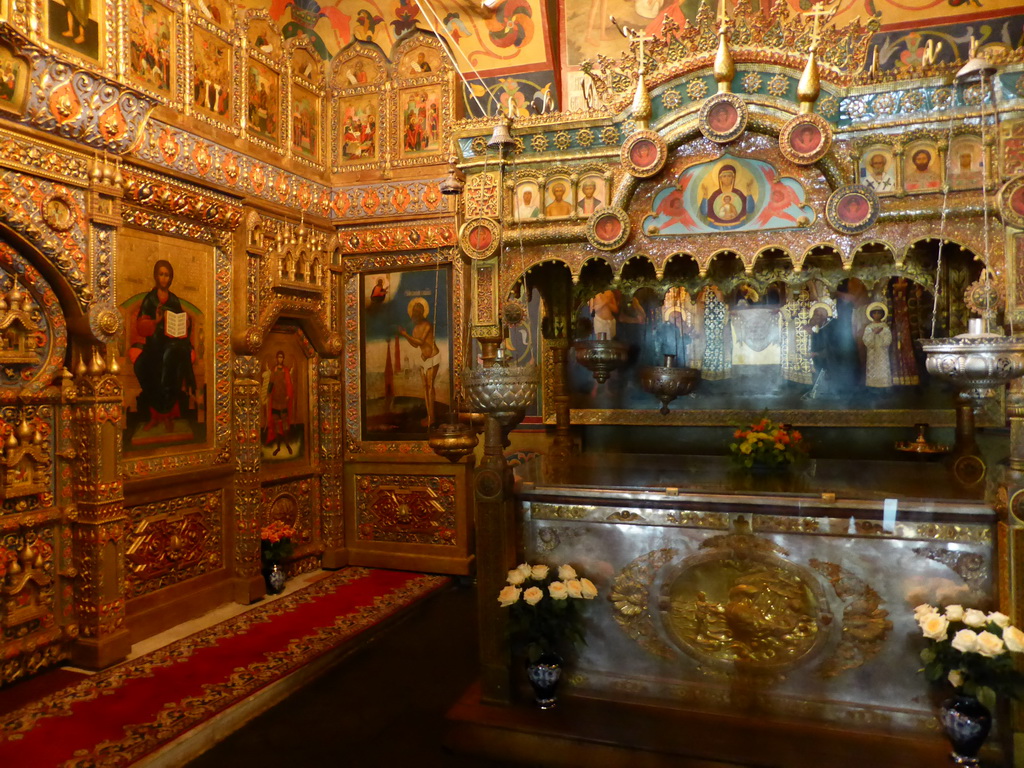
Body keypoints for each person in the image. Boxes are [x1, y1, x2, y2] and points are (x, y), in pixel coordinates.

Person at [130, 260, 196, 431]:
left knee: (173, 363)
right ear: (156, 276)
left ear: (170, 278)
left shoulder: (173, 299)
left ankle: (167, 414)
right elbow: (141, 326)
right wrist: (157, 320)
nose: (164, 278)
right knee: (142, 366)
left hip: (173, 343)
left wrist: (185, 322)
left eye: (167, 275)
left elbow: (180, 322)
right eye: (161, 274)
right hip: (154, 345)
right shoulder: (150, 299)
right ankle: (156, 414)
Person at [398, 298, 440, 427]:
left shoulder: (427, 325)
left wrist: (405, 335)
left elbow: (421, 342)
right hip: (423, 359)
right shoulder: (415, 328)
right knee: (425, 388)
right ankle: (429, 417)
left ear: (422, 312)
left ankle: (432, 418)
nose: (416, 314)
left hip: (433, 357)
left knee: (429, 386)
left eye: (418, 311)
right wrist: (406, 336)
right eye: (414, 311)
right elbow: (415, 345)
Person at [264, 351, 295, 456]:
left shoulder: (286, 370)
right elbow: (271, 383)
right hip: (275, 401)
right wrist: (268, 393)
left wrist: (288, 396)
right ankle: (278, 447)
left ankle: (287, 445)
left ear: (283, 359)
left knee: (285, 425)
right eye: (278, 357)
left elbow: (289, 384)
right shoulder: (274, 370)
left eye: (282, 357)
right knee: (277, 425)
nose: (280, 359)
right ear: (277, 358)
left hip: (283, 401)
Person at [862, 302, 892, 389]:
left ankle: (884, 385)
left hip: (882, 351)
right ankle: (872, 386)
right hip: (872, 352)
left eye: (879, 313)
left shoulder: (885, 327)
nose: (876, 315)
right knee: (872, 367)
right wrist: (873, 333)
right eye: (874, 313)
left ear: (882, 314)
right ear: (871, 314)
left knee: (882, 366)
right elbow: (866, 340)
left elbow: (888, 340)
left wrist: (881, 334)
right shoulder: (868, 327)